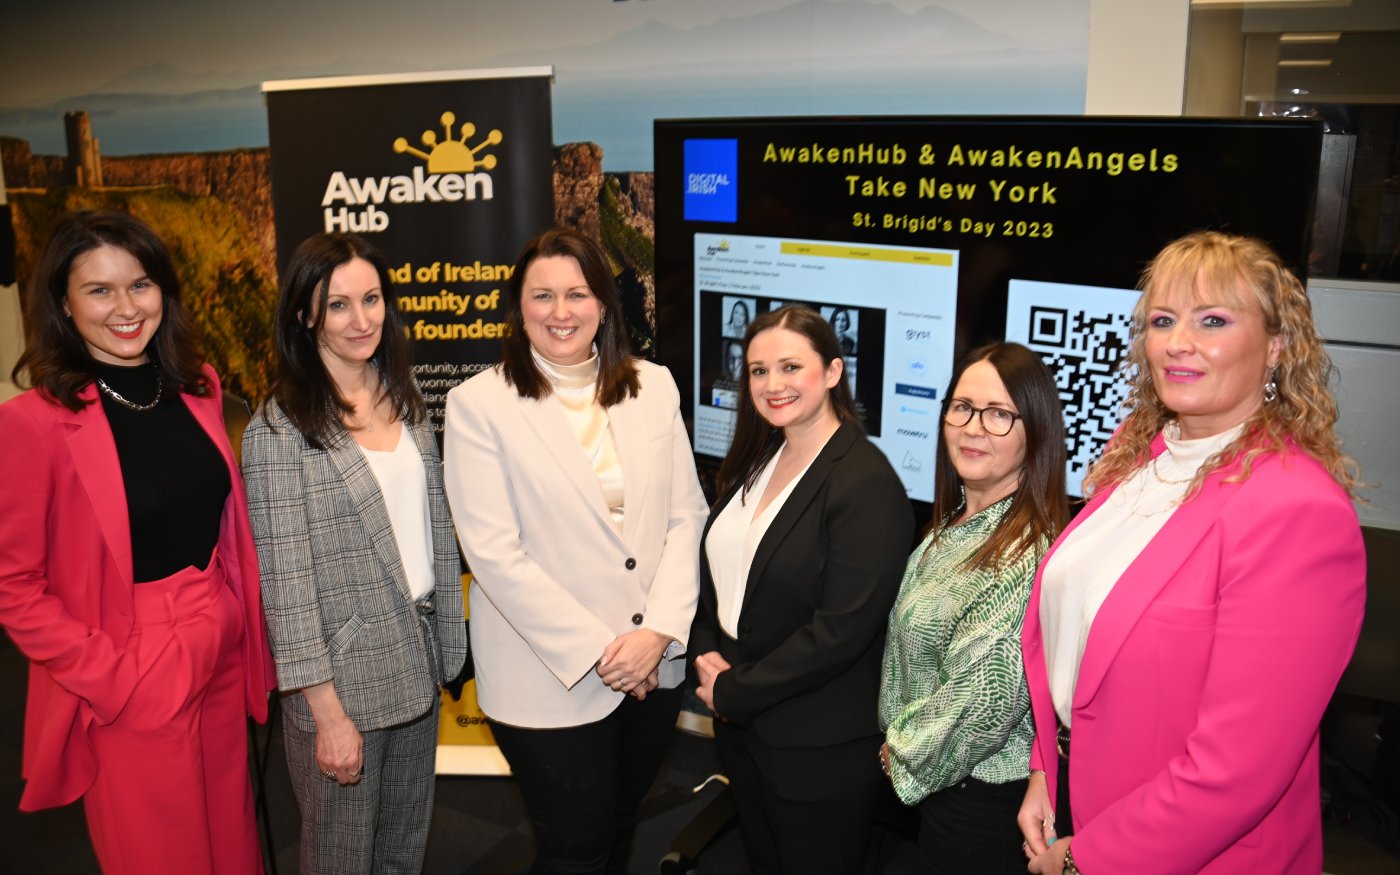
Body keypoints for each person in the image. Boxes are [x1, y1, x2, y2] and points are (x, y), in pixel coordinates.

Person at [1018, 231, 1366, 875]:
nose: (1179, 341)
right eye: (1162, 320)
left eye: (1213, 320)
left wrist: (1089, 860)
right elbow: (1075, 646)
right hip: (1078, 803)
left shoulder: (1296, 511)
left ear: (1276, 349)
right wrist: (1047, 770)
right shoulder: (1138, 455)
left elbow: (1237, 769)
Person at [0, 210, 273, 873]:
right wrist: (113, 678)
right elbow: (13, 586)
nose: (125, 307)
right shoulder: (31, 423)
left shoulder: (198, 386)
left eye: (140, 284)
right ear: (62, 303)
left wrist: (235, 619)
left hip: (219, 641)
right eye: (99, 290)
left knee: (234, 844)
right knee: (160, 854)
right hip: (130, 659)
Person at [442, 227, 708, 875]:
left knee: (620, 826)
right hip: (548, 677)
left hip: (653, 667)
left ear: (604, 304)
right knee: (574, 848)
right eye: (543, 295)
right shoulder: (478, 405)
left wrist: (657, 634)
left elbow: (685, 515)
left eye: (578, 293)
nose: (561, 311)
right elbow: (496, 555)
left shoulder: (655, 386)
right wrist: (605, 652)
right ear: (519, 306)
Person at [241, 233, 467, 874]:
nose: (361, 319)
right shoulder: (279, 430)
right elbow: (286, 584)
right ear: (305, 316)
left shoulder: (407, 396)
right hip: (341, 690)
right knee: (341, 861)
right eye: (338, 305)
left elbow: (431, 531)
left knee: (404, 847)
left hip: (417, 666)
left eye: (371, 299)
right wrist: (327, 714)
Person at [691, 304, 915, 874]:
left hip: (817, 747)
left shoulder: (866, 480)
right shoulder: (762, 454)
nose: (773, 384)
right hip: (747, 729)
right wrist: (704, 649)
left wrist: (736, 690)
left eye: (791, 366)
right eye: (759, 370)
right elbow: (725, 571)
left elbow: (842, 629)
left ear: (834, 372)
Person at [877, 342, 1068, 874]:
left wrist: (904, 749)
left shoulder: (1024, 551)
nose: (973, 427)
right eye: (961, 407)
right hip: (948, 788)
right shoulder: (960, 521)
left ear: (1037, 431)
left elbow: (985, 701)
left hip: (979, 803)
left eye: (999, 414)